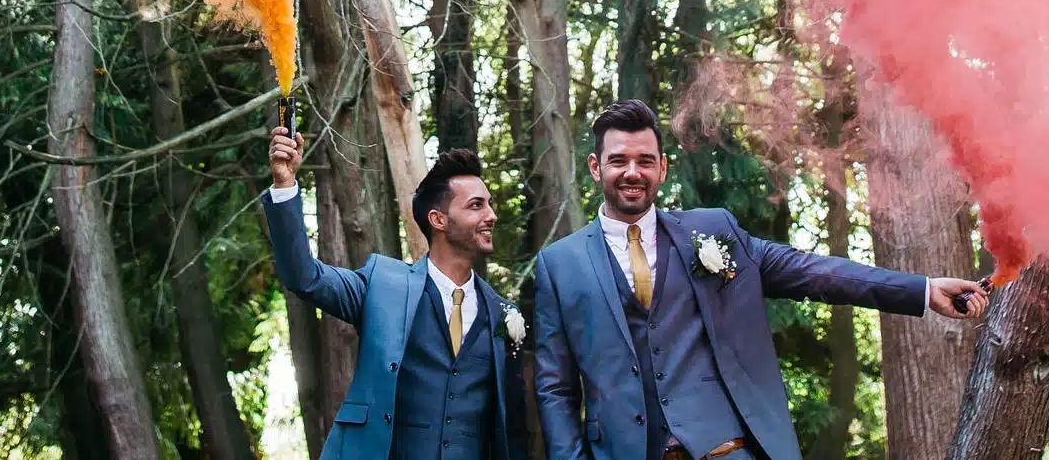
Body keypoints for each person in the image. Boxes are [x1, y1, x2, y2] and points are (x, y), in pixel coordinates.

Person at [533, 100, 989, 460]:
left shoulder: (713, 232)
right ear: (596, 168)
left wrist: (923, 290)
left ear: (663, 168)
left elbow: (814, 271)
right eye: (618, 161)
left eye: (645, 161)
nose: (632, 173)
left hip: (726, 451)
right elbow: (555, 388)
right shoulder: (560, 264)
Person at [265, 123, 524, 460]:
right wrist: (285, 185)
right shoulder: (382, 286)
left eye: (489, 204)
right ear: (439, 220)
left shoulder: (502, 313)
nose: (492, 215)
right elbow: (305, 277)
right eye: (476, 206)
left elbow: (510, 425)